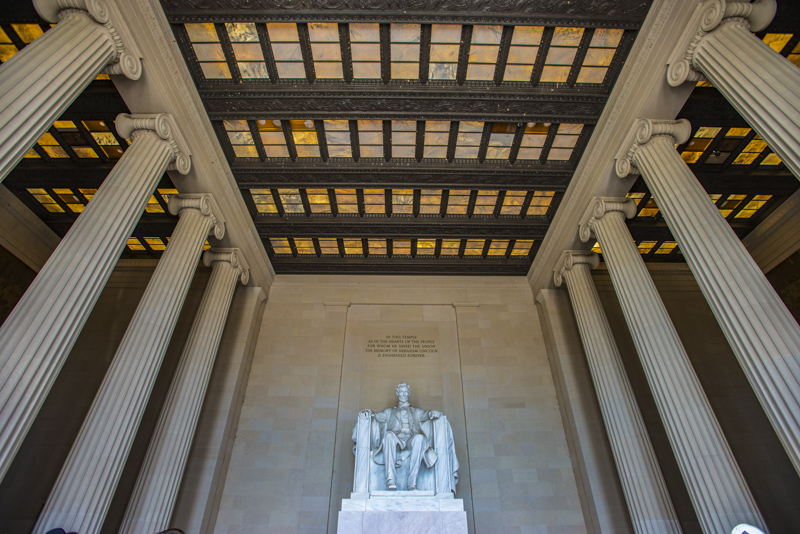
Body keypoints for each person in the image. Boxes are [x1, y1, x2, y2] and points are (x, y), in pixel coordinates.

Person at [359, 382, 441, 490]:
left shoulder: (416, 411)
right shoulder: (390, 412)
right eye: (401, 392)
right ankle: (391, 480)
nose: (403, 394)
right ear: (397, 393)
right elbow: (378, 416)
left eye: (405, 392)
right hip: (396, 439)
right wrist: (369, 413)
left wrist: (432, 413)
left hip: (411, 439)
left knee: (420, 438)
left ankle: (412, 483)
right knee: (388, 435)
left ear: (409, 393)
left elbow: (425, 415)